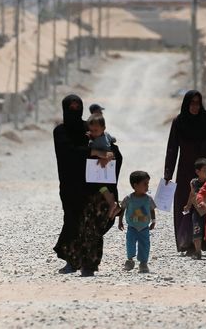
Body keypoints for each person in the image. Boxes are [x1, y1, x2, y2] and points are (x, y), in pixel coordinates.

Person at [53, 94, 123, 277]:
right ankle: (72, 260)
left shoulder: (89, 128)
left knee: (92, 225)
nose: (75, 111)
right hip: (70, 186)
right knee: (72, 222)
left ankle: (89, 264)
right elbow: (69, 153)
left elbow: (110, 147)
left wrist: (109, 155)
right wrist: (95, 152)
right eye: (71, 108)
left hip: (91, 185)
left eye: (78, 107)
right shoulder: (60, 132)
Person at [164, 90, 206, 253]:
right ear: (186, 104)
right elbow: (172, 148)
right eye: (191, 103)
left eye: (197, 103)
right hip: (185, 168)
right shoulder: (179, 122)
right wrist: (168, 173)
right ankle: (187, 243)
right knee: (185, 203)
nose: (194, 106)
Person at [118, 171, 156, 273]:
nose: (147, 186)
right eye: (145, 184)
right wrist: (120, 221)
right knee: (130, 243)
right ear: (135, 185)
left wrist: (153, 221)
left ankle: (143, 263)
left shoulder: (148, 199)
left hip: (144, 228)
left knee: (145, 245)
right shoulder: (129, 198)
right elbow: (122, 209)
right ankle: (130, 261)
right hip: (132, 227)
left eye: (148, 183)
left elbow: (152, 210)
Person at [87, 113, 120, 217]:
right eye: (91, 130)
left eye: (95, 130)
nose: (93, 133)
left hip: (102, 165)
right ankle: (112, 203)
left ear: (103, 128)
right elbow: (112, 139)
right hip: (106, 165)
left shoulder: (98, 141)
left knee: (101, 186)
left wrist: (105, 158)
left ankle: (111, 203)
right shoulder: (105, 134)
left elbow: (103, 150)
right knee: (105, 186)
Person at [183, 158, 206, 260]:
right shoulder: (194, 183)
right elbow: (192, 194)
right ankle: (198, 251)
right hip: (197, 211)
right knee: (197, 229)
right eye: (205, 170)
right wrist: (188, 205)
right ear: (197, 172)